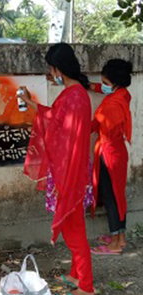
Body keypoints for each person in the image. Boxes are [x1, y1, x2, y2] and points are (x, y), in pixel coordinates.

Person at [19, 43, 94, 295]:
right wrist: (31, 103)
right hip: (74, 169)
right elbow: (55, 119)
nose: (50, 74)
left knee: (74, 231)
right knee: (75, 225)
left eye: (51, 69)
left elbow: (62, 136)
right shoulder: (77, 93)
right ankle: (76, 275)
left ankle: (86, 286)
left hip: (69, 172)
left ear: (58, 69)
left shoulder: (73, 96)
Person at [89, 59, 133, 255]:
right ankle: (120, 238)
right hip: (117, 152)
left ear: (115, 83)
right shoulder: (122, 94)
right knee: (117, 195)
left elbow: (98, 126)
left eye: (106, 83)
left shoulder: (112, 105)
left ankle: (115, 243)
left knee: (110, 196)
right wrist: (88, 85)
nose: (103, 86)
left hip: (109, 153)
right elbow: (103, 89)